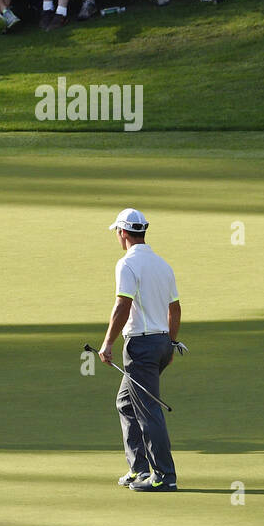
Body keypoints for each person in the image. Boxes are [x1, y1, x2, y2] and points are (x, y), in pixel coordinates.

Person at [97, 207, 182, 493]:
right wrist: (170, 342)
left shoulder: (127, 264)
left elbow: (123, 304)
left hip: (141, 347)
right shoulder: (162, 264)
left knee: (148, 410)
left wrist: (107, 342)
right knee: (125, 402)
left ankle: (164, 476)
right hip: (160, 343)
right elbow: (175, 308)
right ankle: (138, 469)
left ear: (123, 233)